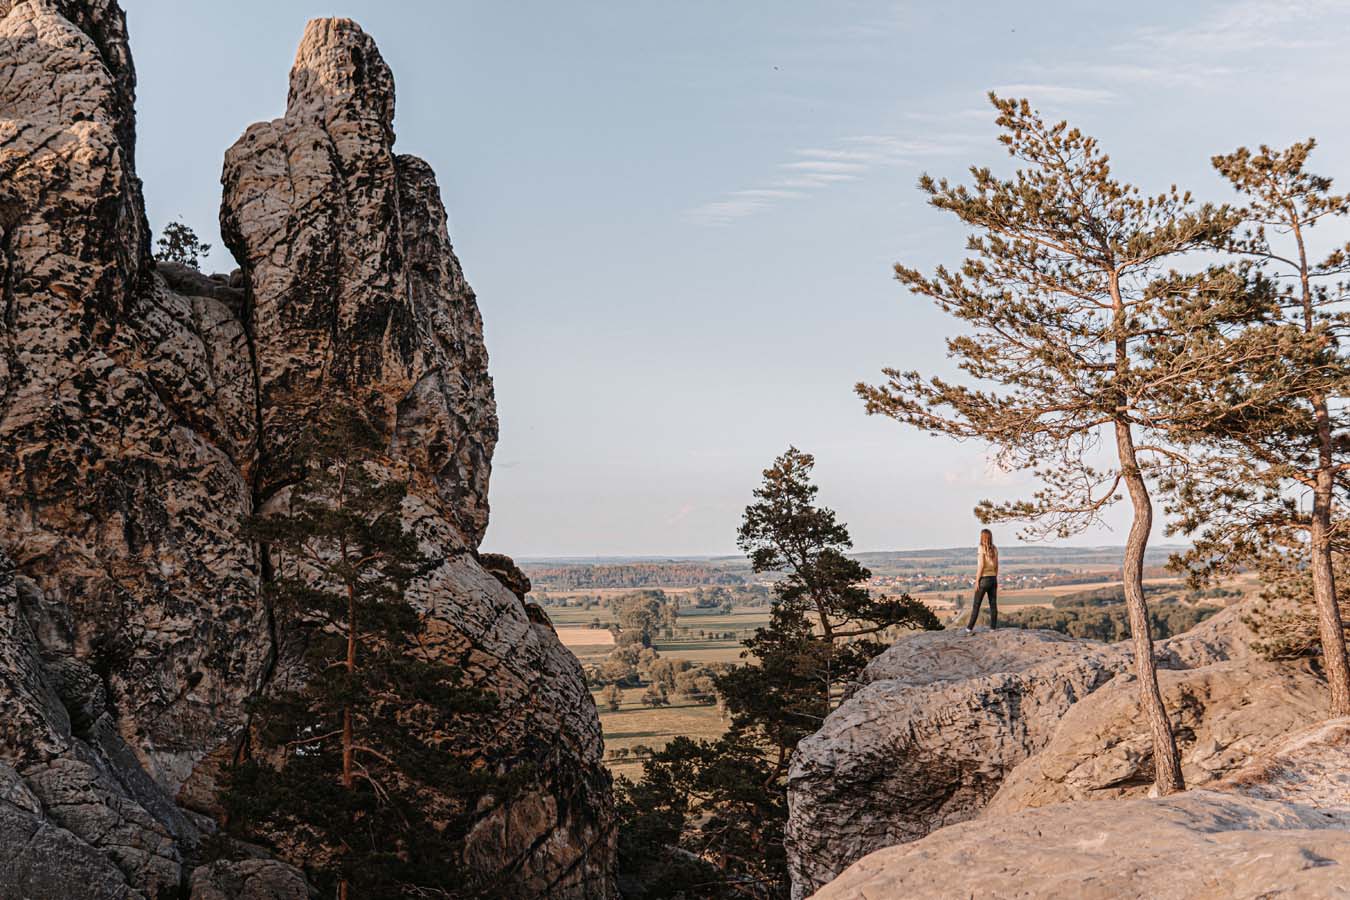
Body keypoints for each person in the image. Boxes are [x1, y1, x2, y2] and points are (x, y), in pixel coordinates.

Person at [965, 529, 998, 633]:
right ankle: (993, 628)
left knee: (976, 605)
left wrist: (977, 581)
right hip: (993, 579)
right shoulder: (994, 549)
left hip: (984, 579)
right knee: (993, 604)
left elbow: (981, 565)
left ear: (982, 537)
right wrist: (995, 577)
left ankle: (969, 628)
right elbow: (997, 565)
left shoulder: (981, 548)